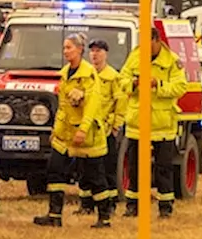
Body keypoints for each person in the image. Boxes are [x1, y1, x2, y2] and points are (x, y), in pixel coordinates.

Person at [34, 33, 114, 228]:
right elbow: (62, 108)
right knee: (54, 170)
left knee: (94, 176)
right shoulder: (64, 74)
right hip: (65, 134)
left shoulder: (89, 74)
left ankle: (104, 217)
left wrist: (83, 129)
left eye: (69, 48)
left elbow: (93, 105)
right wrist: (57, 131)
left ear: (79, 50)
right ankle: (54, 215)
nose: (65, 52)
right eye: (64, 48)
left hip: (87, 136)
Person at [118, 28, 188, 218]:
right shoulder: (135, 57)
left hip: (162, 124)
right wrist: (134, 83)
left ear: (157, 40)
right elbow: (121, 80)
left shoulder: (172, 61)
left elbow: (181, 87)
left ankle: (165, 207)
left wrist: (158, 85)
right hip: (137, 124)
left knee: (163, 168)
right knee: (134, 167)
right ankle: (133, 205)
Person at [78, 39, 127, 214]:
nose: (95, 55)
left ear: (106, 54)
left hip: (105, 131)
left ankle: (110, 204)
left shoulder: (113, 77)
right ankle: (85, 205)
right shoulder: (86, 75)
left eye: (99, 51)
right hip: (88, 130)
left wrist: (115, 127)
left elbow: (121, 103)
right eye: (92, 51)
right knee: (85, 168)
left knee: (107, 169)